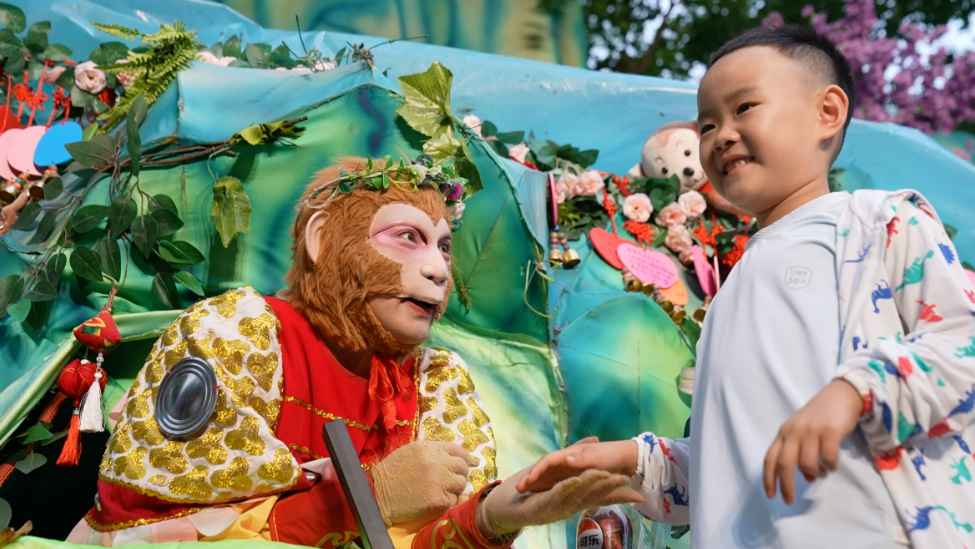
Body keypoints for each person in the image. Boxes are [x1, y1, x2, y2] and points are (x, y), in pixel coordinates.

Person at [516, 25, 975, 549]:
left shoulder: (879, 222)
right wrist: (630, 461)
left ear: (827, 112)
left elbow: (962, 350)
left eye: (745, 108)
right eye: (707, 124)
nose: (721, 135)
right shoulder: (732, 287)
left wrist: (854, 390)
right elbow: (726, 468)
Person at [67, 155, 640, 547]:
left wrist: (493, 516)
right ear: (322, 240)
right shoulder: (242, 329)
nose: (439, 268)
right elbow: (142, 521)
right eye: (407, 238)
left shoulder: (435, 380)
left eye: (444, 245)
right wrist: (366, 497)